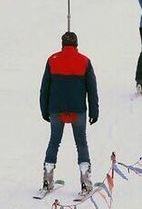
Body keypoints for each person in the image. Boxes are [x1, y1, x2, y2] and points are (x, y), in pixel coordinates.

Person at [39, 31, 100, 193]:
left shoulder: (52, 60)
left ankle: (47, 178)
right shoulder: (85, 61)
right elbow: (92, 89)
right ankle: (86, 181)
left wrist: (44, 109)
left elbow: (45, 88)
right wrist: (94, 110)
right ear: (76, 44)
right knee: (81, 143)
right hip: (78, 109)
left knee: (54, 142)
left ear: (62, 44)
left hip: (56, 109)